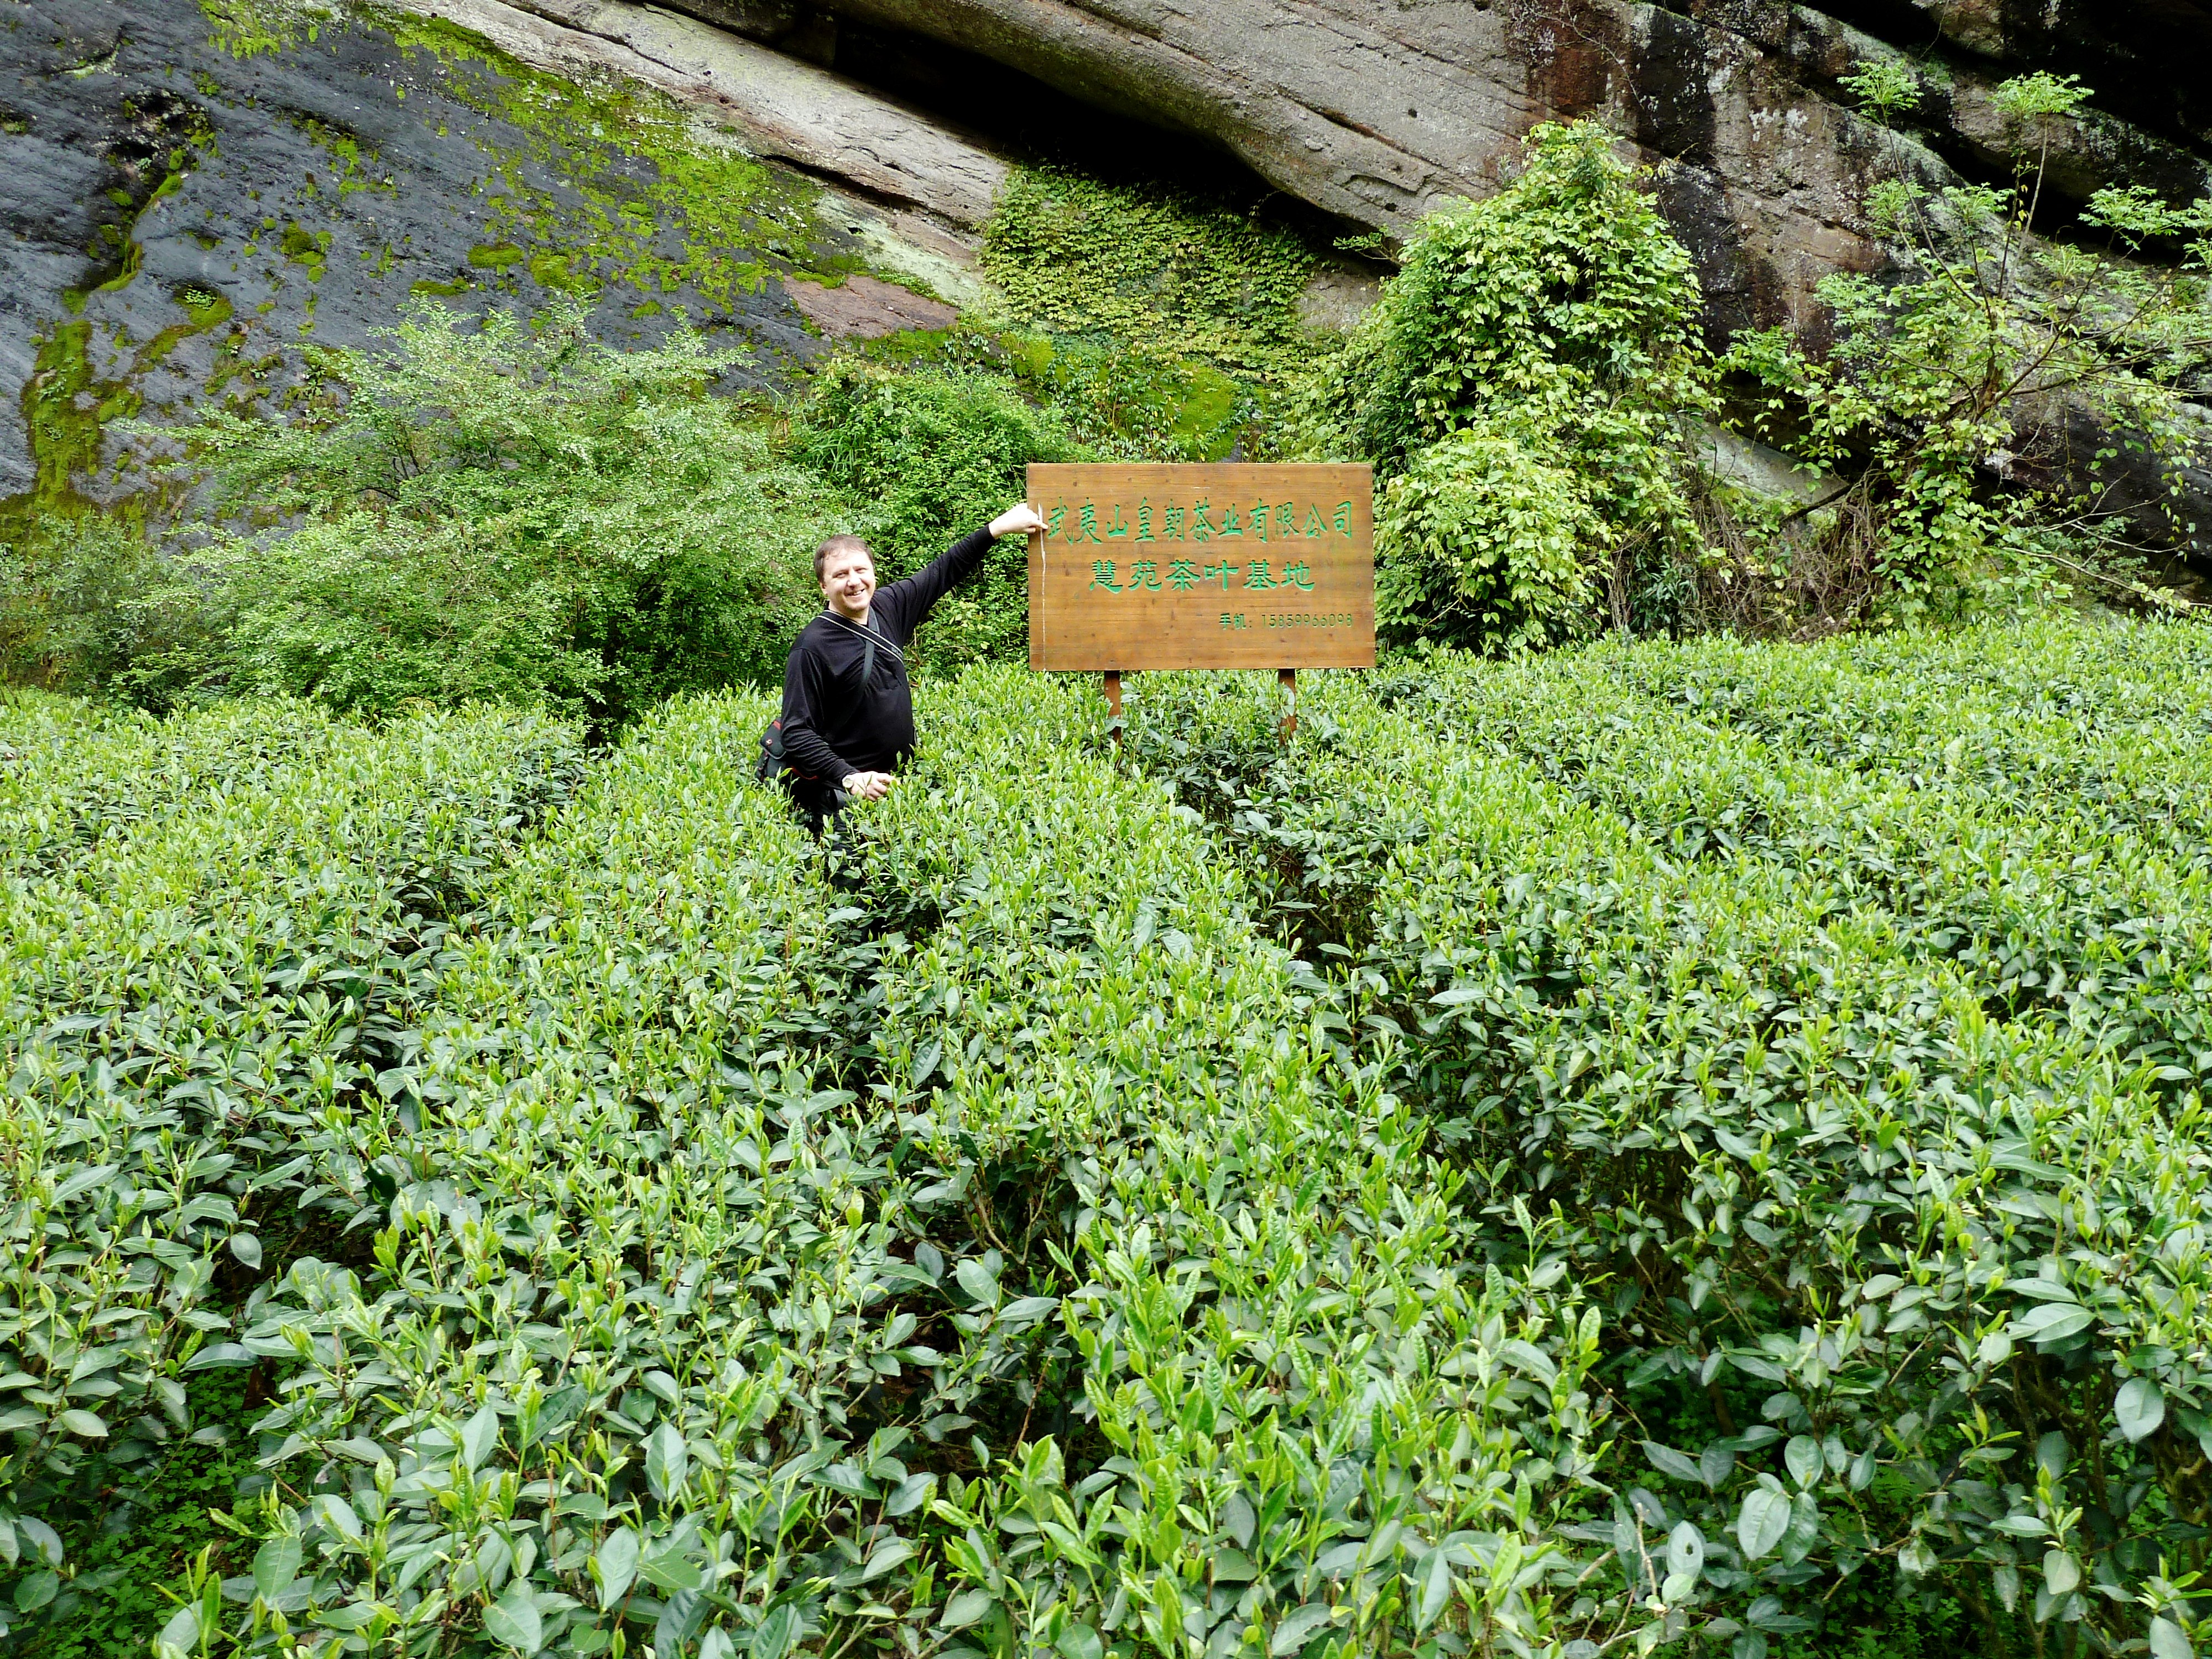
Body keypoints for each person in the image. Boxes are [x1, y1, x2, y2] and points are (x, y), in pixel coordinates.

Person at [768, 502, 1047, 834]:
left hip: (899, 789)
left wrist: (996, 529)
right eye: (840, 575)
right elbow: (797, 732)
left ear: (874, 573)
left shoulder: (888, 607)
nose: (854, 582)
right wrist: (849, 777)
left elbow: (943, 571)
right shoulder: (812, 647)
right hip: (845, 798)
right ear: (824, 586)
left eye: (861, 570)